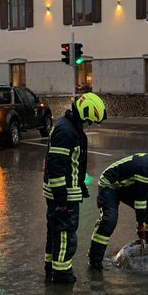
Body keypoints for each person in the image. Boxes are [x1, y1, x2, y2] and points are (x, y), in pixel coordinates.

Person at [87, 147, 148, 270]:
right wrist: (140, 225)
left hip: (127, 185)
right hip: (110, 183)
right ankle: (94, 259)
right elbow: (141, 199)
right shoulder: (144, 167)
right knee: (109, 219)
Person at [43, 92, 106, 284]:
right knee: (64, 235)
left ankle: (51, 268)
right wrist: (62, 199)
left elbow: (71, 164)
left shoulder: (69, 127)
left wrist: (79, 187)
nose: (89, 125)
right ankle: (62, 275)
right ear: (85, 113)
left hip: (65, 191)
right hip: (63, 195)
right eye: (90, 121)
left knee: (55, 233)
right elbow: (56, 166)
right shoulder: (66, 131)